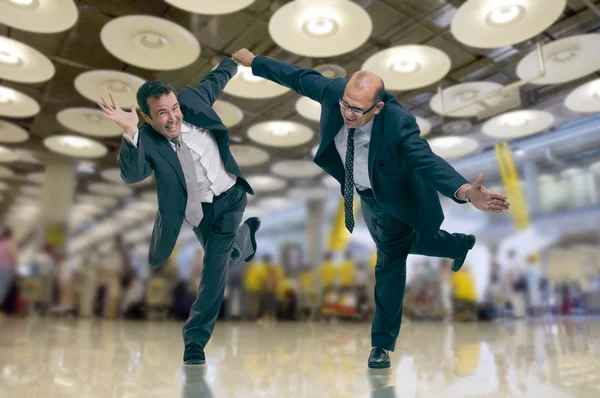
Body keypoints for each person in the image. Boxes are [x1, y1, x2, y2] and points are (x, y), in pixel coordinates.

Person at [232, 48, 510, 369]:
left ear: (377, 107)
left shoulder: (397, 124)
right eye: (345, 105)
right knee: (404, 245)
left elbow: (426, 161)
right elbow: (297, 77)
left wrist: (463, 190)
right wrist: (255, 61)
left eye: (358, 110)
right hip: (366, 196)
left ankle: (381, 345)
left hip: (398, 201)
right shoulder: (336, 92)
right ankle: (459, 244)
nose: (348, 114)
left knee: (389, 262)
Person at [98, 56, 261, 365]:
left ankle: (194, 342)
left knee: (213, 271)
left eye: (174, 108)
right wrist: (130, 134)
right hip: (199, 210)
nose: (173, 118)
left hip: (230, 198)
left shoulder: (192, 101)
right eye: (162, 113)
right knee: (223, 260)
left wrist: (232, 62)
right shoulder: (145, 138)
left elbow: (215, 81)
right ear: (146, 118)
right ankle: (247, 239)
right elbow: (132, 175)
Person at [0, 227, 18, 314]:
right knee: (3, 289)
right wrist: (16, 268)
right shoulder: (10, 243)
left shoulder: (1, 243)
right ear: (11, 235)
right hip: (6, 268)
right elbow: (13, 257)